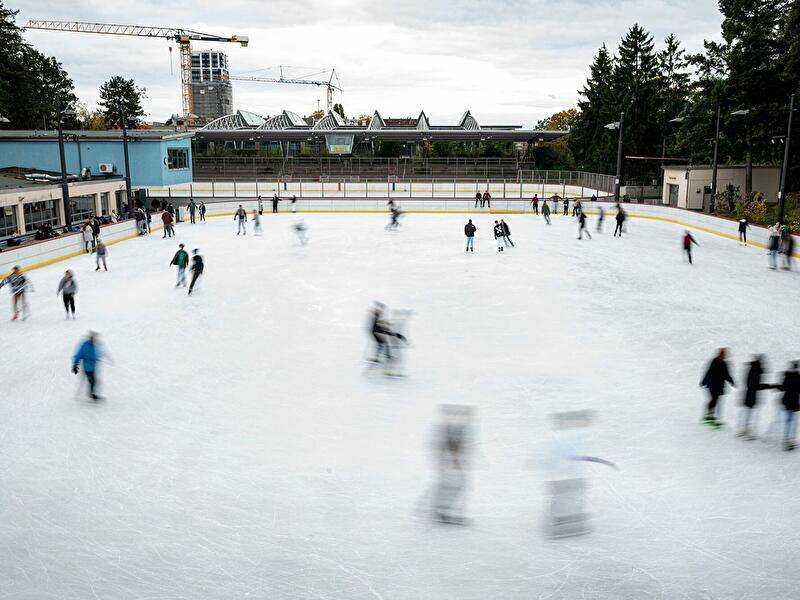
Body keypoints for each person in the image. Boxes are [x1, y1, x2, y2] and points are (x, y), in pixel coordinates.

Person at [433, 405, 473, 525]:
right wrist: (454, 460)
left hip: (451, 461)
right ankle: (441, 511)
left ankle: (441, 511)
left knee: (453, 484)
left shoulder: (457, 428)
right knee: (454, 484)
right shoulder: (452, 429)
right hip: (450, 461)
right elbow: (450, 445)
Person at [738, 355, 772, 440]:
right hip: (752, 395)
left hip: (749, 394)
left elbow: (747, 382)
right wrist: (768, 386)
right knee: (752, 414)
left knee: (747, 412)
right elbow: (755, 385)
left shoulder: (751, 369)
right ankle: (748, 432)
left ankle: (743, 430)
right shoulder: (756, 371)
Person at [700, 348, 735, 427]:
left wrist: (731, 381)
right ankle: (710, 416)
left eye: (725, 354)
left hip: (719, 385)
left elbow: (726, 374)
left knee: (715, 400)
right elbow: (708, 372)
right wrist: (704, 381)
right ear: (720, 354)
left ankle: (710, 416)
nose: (724, 356)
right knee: (714, 400)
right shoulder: (714, 361)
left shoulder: (724, 363)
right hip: (713, 385)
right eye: (723, 354)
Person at [71, 331, 103, 400]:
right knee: (93, 381)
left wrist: (96, 358)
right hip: (87, 368)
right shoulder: (85, 346)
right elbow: (78, 355)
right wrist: (75, 365)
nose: (93, 340)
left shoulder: (94, 345)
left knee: (93, 381)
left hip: (92, 367)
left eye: (94, 339)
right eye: (92, 338)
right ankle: (91, 394)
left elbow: (96, 354)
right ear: (90, 338)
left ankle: (91, 393)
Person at [777, 361, 800, 451]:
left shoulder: (787, 376)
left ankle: (786, 440)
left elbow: (782, 387)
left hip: (786, 401)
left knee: (788, 421)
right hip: (794, 402)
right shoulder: (798, 377)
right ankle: (791, 441)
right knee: (793, 422)